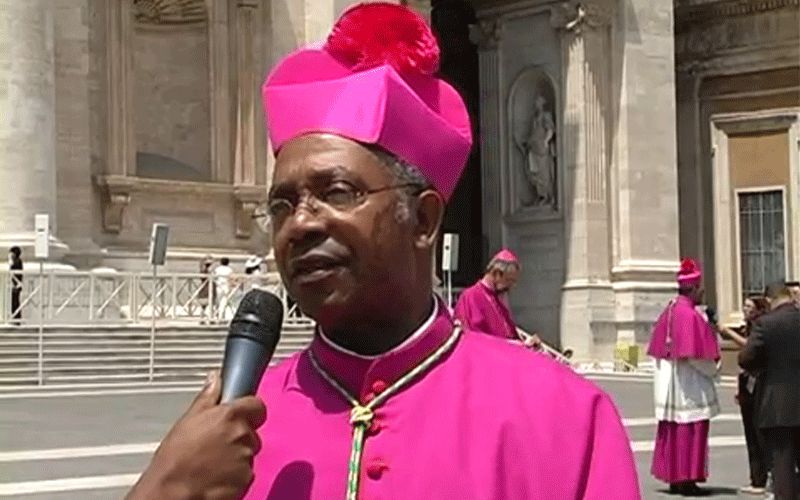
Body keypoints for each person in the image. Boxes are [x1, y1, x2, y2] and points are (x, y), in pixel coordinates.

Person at [127, 4, 640, 499]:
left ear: (423, 220)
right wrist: (166, 490)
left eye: (336, 192)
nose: (300, 223)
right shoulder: (224, 438)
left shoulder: (563, 418)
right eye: (282, 205)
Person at [648, 258, 721, 496]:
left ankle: (674, 478)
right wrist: (714, 368)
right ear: (693, 289)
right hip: (689, 386)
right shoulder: (689, 316)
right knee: (690, 430)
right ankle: (687, 480)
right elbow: (695, 356)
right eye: (700, 288)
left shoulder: (669, 310)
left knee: (674, 430)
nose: (702, 292)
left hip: (671, 384)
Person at [739, 283, 800, 500]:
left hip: (777, 405)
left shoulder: (766, 324)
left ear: (769, 300)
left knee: (782, 466)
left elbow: (746, 358)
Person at [719, 295, 770, 495]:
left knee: (759, 433)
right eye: (744, 306)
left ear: (758, 309)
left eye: (749, 306)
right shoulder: (747, 326)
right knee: (751, 434)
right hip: (746, 385)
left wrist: (729, 333)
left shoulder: (761, 327)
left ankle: (763, 477)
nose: (745, 309)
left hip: (758, 385)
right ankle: (756, 478)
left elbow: (749, 346)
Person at [453, 249, 520, 340]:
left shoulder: (497, 301)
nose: (511, 286)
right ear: (496, 273)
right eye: (509, 280)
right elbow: (471, 336)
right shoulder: (470, 297)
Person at [8, 246, 23, 324]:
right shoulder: (18, 261)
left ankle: (16, 319)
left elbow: (13, 271)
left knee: (15, 303)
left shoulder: (17, 261)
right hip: (16, 284)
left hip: (16, 285)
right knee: (15, 302)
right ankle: (16, 318)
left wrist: (10, 263)